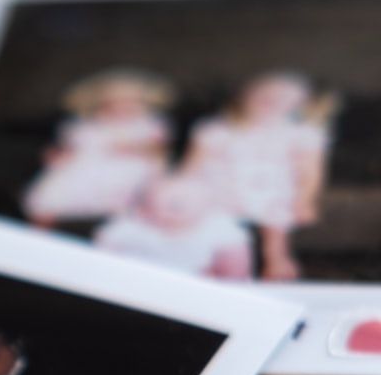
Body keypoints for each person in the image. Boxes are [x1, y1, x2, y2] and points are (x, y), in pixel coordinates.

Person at [187, 71, 335, 280]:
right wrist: (186, 193)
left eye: (280, 99)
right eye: (263, 96)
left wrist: (305, 200)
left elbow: (310, 172)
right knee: (212, 228)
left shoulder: (302, 134)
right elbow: (193, 166)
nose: (270, 102)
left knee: (276, 224)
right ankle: (220, 267)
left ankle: (277, 264)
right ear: (244, 98)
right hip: (222, 188)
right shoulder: (217, 130)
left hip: (272, 188)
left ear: (300, 104)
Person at [23, 69, 174, 228]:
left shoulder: (148, 125)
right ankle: (39, 227)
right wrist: (59, 155)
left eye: (130, 102)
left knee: (133, 192)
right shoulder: (91, 125)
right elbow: (73, 146)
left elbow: (159, 150)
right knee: (51, 192)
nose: (123, 107)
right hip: (86, 168)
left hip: (128, 170)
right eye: (115, 103)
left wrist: (134, 147)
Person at [93, 173, 254, 279]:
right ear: (144, 210)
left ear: (207, 208)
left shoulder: (217, 230)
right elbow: (105, 248)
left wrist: (221, 277)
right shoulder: (134, 228)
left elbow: (236, 273)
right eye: (152, 204)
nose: (176, 207)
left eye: (182, 202)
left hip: (201, 289)